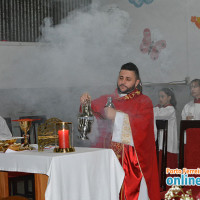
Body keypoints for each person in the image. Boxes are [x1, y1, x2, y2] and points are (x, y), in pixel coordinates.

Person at [80, 62, 160, 200]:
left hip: (132, 161)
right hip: (106, 158)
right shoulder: (107, 99)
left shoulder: (143, 101)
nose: (123, 82)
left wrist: (116, 116)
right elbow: (89, 115)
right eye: (121, 78)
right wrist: (85, 103)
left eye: (128, 79)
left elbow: (144, 130)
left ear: (137, 83)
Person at [154, 88, 179, 154]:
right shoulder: (161, 108)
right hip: (161, 140)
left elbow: (158, 115)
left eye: (162, 96)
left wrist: (156, 108)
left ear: (169, 97)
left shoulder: (170, 109)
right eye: (159, 97)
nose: (160, 99)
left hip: (168, 141)